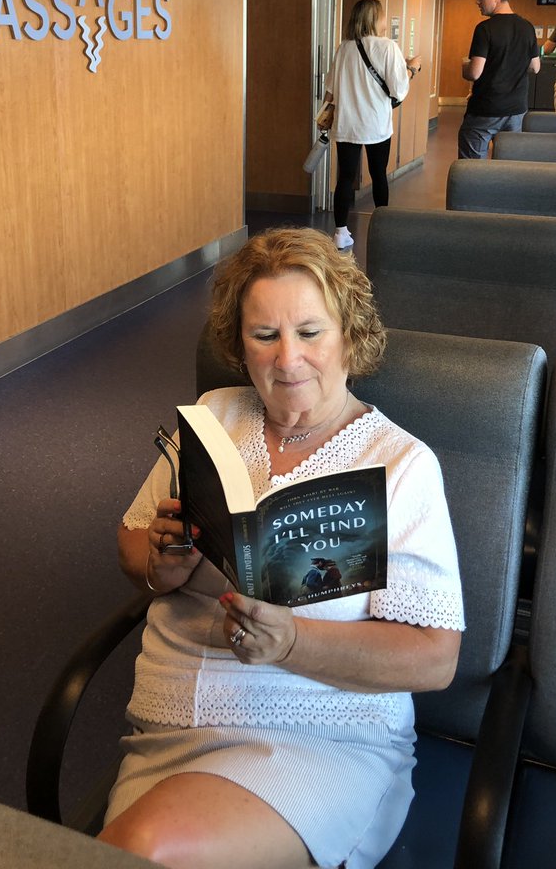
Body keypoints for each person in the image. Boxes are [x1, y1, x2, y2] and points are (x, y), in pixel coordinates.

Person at [100, 227, 464, 869]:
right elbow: (132, 541)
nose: (288, 359)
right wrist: (159, 566)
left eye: (310, 332)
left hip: (317, 736)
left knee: (142, 850)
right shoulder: (214, 418)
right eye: (265, 335)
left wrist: (292, 642)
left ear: (350, 335)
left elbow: (435, 659)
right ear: (239, 346)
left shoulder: (401, 465)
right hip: (168, 725)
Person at [321, 0, 420, 250]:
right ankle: (382, 227)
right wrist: (412, 69)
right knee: (378, 175)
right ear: (375, 18)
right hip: (376, 125)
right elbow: (399, 90)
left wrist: (324, 116)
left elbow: (331, 89)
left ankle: (340, 233)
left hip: (346, 124)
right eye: (383, 14)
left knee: (345, 177)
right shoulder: (388, 47)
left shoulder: (344, 48)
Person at [458, 0, 540, 159]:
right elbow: (535, 67)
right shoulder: (527, 27)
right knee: (508, 167)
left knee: (471, 168)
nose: (477, 1)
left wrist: (465, 66)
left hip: (486, 110)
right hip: (516, 110)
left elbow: (474, 72)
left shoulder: (484, 29)